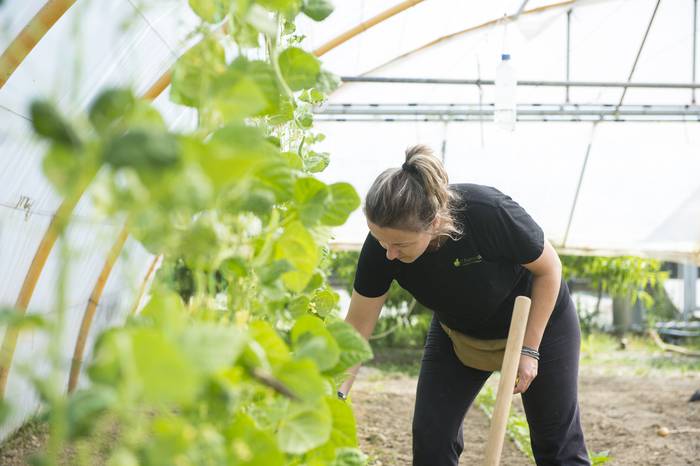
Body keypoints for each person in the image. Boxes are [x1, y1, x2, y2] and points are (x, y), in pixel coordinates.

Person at [338, 145, 590, 466]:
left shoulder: (488, 212)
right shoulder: (382, 248)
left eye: (400, 244)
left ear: (434, 222)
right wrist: (337, 393)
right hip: (457, 331)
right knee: (432, 438)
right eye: (381, 240)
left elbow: (549, 268)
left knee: (557, 444)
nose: (389, 253)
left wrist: (530, 350)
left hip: (538, 323)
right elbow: (357, 327)